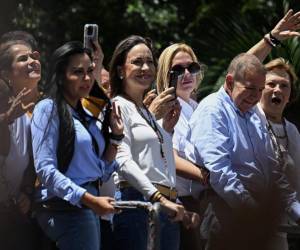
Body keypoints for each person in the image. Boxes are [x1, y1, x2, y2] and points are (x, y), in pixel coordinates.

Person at [31, 41, 123, 250]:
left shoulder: (87, 115)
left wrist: (116, 137)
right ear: (61, 76)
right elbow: (45, 169)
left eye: (90, 71)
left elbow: (101, 171)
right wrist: (88, 199)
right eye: (78, 72)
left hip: (88, 206)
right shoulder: (48, 109)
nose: (88, 78)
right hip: (66, 208)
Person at [109, 35, 186, 250]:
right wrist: (158, 198)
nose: (145, 67)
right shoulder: (117, 106)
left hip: (166, 206)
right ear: (120, 70)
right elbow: (122, 160)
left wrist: (166, 131)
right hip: (140, 205)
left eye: (150, 61)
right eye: (137, 62)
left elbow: (153, 160)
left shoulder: (144, 110)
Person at [156, 43, 208, 250]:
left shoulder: (198, 108)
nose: (187, 74)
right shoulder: (168, 109)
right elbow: (172, 159)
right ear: (164, 75)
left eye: (192, 68)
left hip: (201, 200)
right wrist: (211, 177)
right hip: (181, 203)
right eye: (177, 70)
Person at [0, 31, 41, 250]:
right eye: (23, 58)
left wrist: (27, 191)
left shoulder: (46, 110)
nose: (32, 61)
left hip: (24, 220)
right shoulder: (9, 115)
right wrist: (5, 119)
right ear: (6, 74)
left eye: (34, 56)